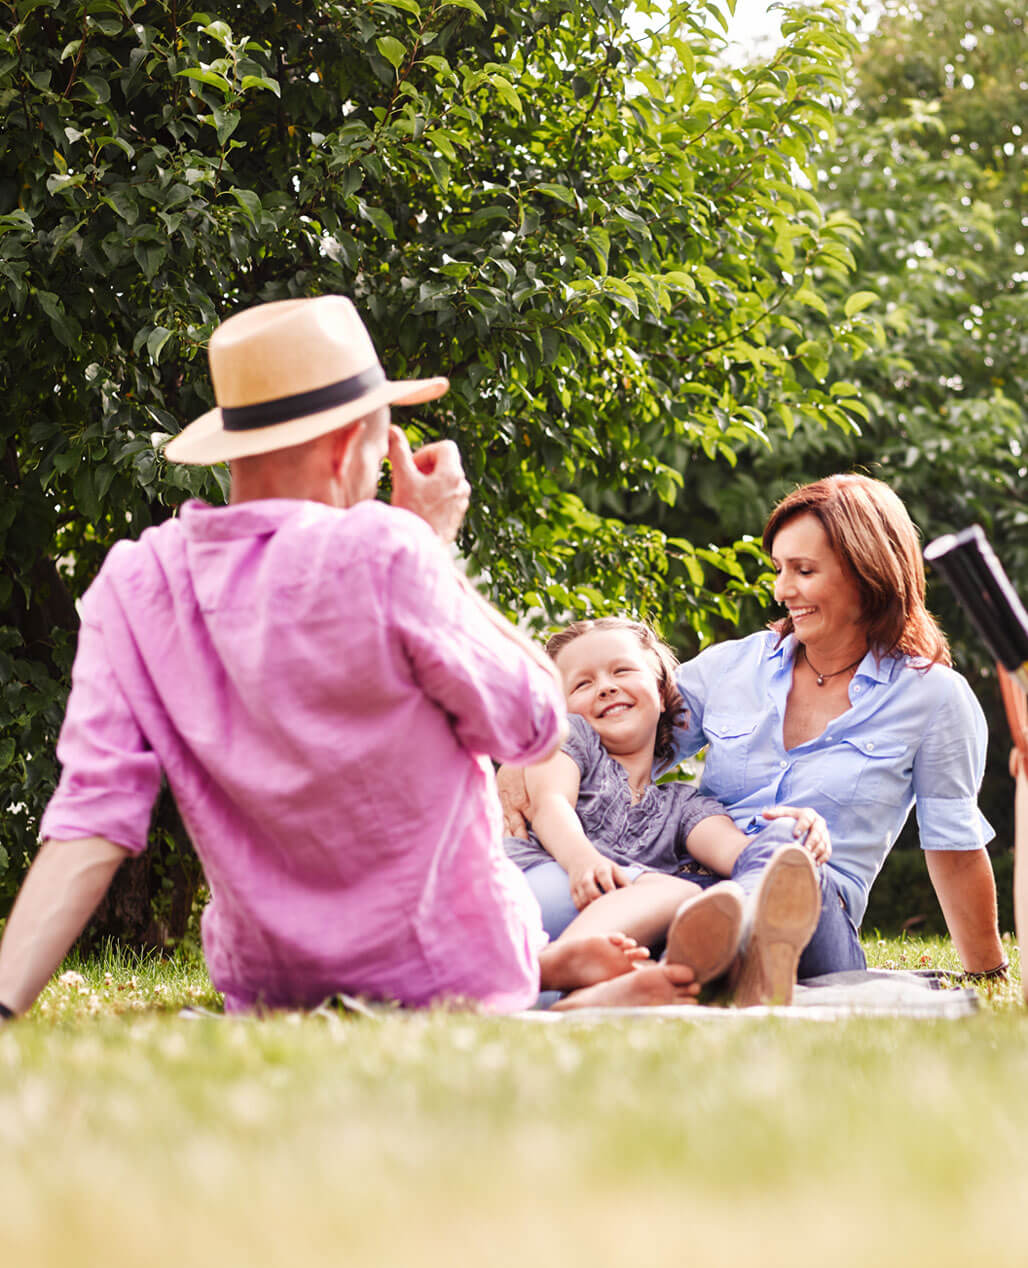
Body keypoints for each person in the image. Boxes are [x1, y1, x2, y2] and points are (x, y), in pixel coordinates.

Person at [0, 296, 653, 1022]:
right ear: (346, 448)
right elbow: (534, 724)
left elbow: (92, 816)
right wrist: (432, 545)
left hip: (270, 984)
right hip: (446, 974)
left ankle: (554, 972)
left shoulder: (135, 582)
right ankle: (550, 983)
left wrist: (2, 1002)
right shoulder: (388, 550)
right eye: (380, 448)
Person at [501, 475, 1007, 982]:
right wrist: (528, 759)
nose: (783, 590)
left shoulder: (935, 699)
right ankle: (710, 956)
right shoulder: (732, 667)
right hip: (692, 887)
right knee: (672, 901)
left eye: (804, 571)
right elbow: (622, 733)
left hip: (811, 910)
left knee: (789, 842)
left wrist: (986, 972)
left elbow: (953, 846)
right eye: (779, 569)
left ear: (866, 572)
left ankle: (735, 939)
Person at [505, 618, 830, 1007]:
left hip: (594, 923)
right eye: (582, 684)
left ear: (661, 693)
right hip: (529, 884)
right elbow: (549, 803)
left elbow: (738, 852)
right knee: (678, 890)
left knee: (757, 856)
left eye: (622, 670)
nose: (606, 686)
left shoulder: (681, 804)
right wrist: (581, 860)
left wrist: (792, 835)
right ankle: (563, 967)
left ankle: (568, 994)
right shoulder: (574, 738)